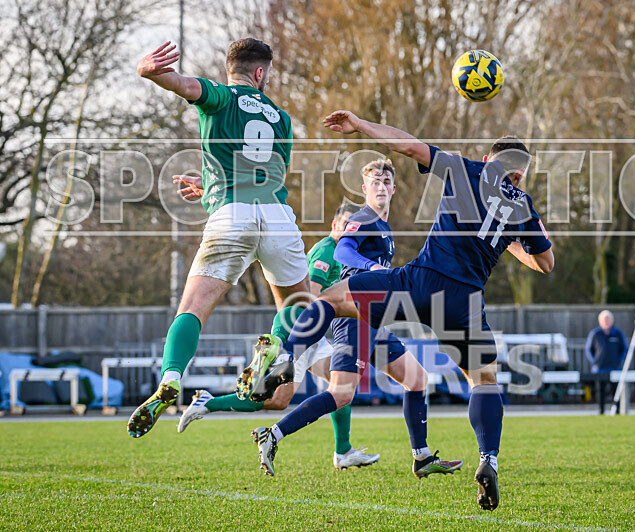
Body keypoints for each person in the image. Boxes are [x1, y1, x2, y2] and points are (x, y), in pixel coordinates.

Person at [252, 110, 554, 512]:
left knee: (331, 299)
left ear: (489, 160)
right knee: (484, 381)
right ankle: (488, 458)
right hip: (464, 303)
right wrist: (510, 237)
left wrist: (360, 126)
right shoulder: (522, 207)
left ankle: (286, 355)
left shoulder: (468, 171)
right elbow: (546, 263)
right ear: (520, 175)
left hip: (418, 283)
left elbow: (407, 143)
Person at [127, 38, 310, 438]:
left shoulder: (221, 96)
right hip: (277, 216)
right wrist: (209, 183)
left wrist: (148, 70)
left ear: (233, 68)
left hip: (232, 214)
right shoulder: (281, 117)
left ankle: (172, 376)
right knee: (298, 305)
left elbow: (182, 85)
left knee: (192, 307)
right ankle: (272, 351)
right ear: (261, 73)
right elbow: (264, 170)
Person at [176, 203, 380, 470]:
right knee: (276, 398)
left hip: (310, 332)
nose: (350, 231)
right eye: (345, 225)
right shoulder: (328, 252)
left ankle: (343, 451)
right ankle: (209, 402)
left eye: (354, 227)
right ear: (334, 225)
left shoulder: (342, 253)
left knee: (333, 387)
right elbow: (311, 296)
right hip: (302, 328)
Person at [585, 310, 629, 414]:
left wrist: (619, 361)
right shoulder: (595, 333)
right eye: (604, 319)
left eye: (608, 319)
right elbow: (588, 350)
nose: (606, 321)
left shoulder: (618, 333)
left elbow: (624, 349)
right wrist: (595, 362)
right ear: (600, 321)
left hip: (615, 368)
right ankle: (601, 411)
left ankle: (617, 411)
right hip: (600, 369)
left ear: (612, 320)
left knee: (616, 391)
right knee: (601, 391)